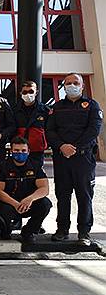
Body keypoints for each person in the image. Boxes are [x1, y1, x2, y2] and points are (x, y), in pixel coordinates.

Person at [47, 73, 103, 245]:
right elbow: (50, 130)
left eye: (75, 82)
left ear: (82, 85)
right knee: (62, 195)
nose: (72, 85)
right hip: (61, 157)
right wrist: (62, 146)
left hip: (83, 159)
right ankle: (62, 230)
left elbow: (93, 130)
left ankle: (84, 233)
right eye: (68, 83)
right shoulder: (56, 107)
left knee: (84, 195)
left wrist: (75, 148)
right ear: (64, 86)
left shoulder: (92, 106)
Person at [0, 137, 52, 244]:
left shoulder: (35, 165)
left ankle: (29, 232)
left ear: (28, 151)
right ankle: (6, 229)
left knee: (45, 204)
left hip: (28, 202)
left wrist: (30, 199)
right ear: (11, 151)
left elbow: (44, 188)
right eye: (16, 150)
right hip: (9, 203)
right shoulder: (2, 166)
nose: (20, 153)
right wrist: (15, 204)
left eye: (23, 151)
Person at [13, 81, 50, 170]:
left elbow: (50, 129)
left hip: (37, 151)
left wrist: (46, 144)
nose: (28, 94)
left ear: (36, 92)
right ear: (21, 93)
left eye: (31, 91)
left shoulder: (45, 110)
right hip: (19, 150)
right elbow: (11, 128)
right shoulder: (14, 110)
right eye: (25, 92)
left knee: (36, 175)